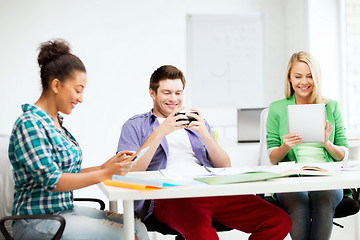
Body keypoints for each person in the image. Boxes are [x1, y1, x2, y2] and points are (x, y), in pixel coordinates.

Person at [117, 65, 292, 240]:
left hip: (210, 187)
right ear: (152, 93)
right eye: (167, 93)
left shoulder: (197, 122)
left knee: (278, 220)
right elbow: (130, 172)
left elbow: (225, 166)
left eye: (178, 93)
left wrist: (204, 134)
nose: (174, 99)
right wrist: (160, 131)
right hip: (171, 194)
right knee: (203, 235)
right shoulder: (135, 126)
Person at [8, 39, 149, 240]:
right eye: (78, 89)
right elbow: (53, 180)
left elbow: (66, 173)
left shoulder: (56, 123)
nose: (81, 98)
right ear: (56, 85)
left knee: (137, 227)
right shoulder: (30, 123)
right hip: (36, 221)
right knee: (127, 235)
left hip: (63, 212)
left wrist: (104, 167)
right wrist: (105, 174)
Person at [266, 51, 348, 240]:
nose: (304, 82)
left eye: (310, 76)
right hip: (291, 178)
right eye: (298, 76)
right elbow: (272, 157)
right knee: (299, 201)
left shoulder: (332, 107)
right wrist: (285, 146)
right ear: (290, 78)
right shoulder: (277, 108)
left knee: (324, 200)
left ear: (316, 78)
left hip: (327, 176)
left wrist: (326, 143)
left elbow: (343, 153)